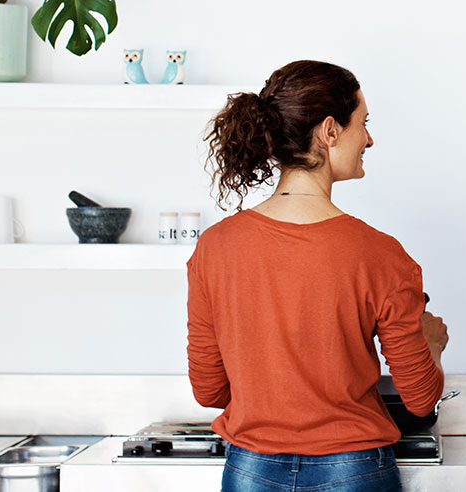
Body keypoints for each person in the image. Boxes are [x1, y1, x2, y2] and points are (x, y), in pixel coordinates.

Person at [189, 59, 449, 492]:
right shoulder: (380, 255)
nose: (369, 139)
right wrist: (433, 344)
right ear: (330, 131)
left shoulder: (215, 248)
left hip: (251, 470)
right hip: (354, 470)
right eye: (362, 123)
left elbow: (209, 391)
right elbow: (420, 400)